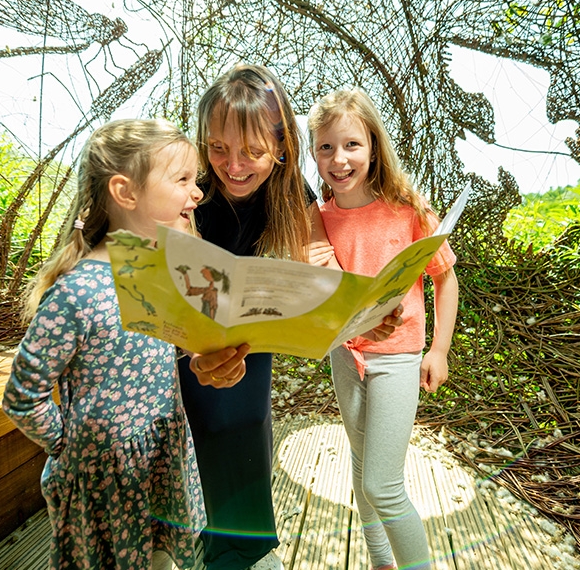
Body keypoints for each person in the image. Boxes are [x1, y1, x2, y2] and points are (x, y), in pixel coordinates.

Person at [2, 118, 249, 570]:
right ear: (125, 191)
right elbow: (22, 395)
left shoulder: (161, 274)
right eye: (181, 180)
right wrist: (72, 446)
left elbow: (171, 349)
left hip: (160, 455)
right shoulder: (78, 292)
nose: (197, 193)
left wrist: (212, 356)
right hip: (103, 476)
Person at [181, 65, 402, 570]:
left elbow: (322, 265)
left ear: (281, 146)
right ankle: (197, 546)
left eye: (252, 152)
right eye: (218, 148)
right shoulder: (189, 187)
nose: (233, 166)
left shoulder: (291, 192)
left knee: (245, 427)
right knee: (195, 439)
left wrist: (359, 313)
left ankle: (248, 550)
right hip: (186, 337)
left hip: (248, 343)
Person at [308, 89, 459, 570]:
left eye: (351, 145)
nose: (339, 159)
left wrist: (439, 350)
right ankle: (380, 561)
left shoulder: (407, 207)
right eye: (325, 147)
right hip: (344, 354)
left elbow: (444, 276)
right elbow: (324, 291)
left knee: (382, 483)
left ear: (373, 145)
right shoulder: (319, 217)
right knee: (360, 461)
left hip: (397, 356)